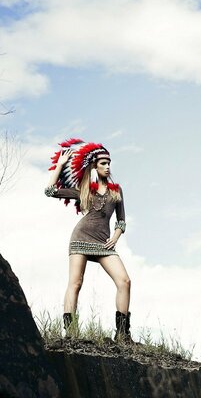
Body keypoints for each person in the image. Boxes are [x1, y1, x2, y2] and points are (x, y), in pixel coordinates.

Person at [44, 138, 133, 343]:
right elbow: (49, 192)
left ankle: (122, 334)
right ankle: (70, 332)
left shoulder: (116, 191)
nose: (107, 167)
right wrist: (59, 166)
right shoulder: (85, 190)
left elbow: (121, 221)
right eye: (103, 163)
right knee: (75, 283)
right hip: (81, 238)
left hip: (104, 243)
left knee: (124, 281)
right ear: (95, 166)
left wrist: (115, 237)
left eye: (109, 163)